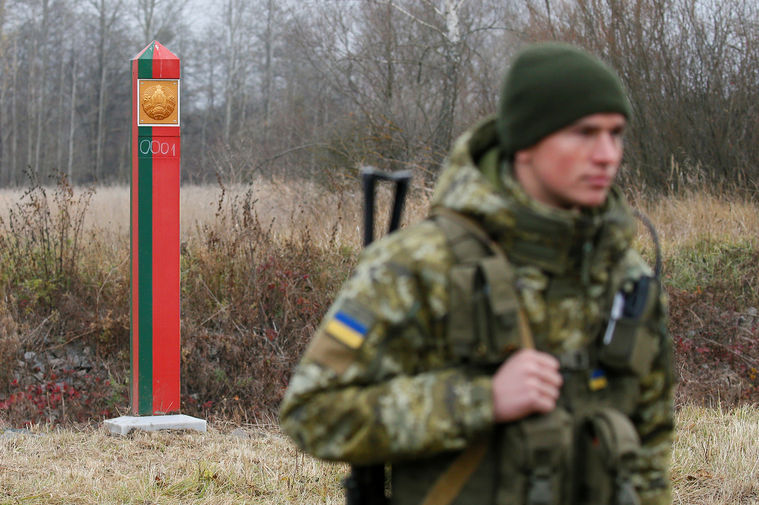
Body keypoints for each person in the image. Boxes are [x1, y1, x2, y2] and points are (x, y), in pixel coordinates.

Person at [279, 42, 674, 505]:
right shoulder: (421, 264)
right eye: (584, 133)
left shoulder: (625, 275)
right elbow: (314, 413)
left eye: (616, 134)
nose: (607, 154)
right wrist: (480, 400)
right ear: (526, 141)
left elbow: (650, 447)